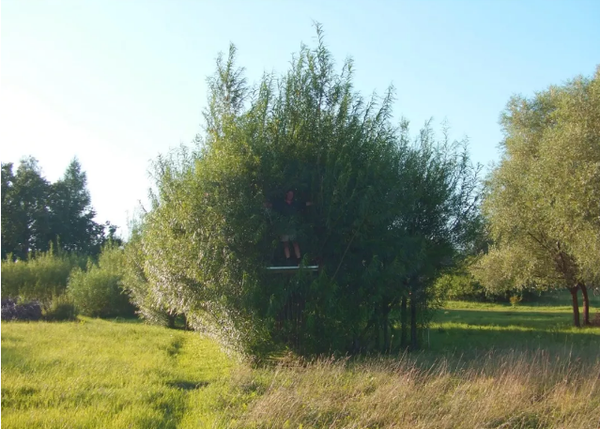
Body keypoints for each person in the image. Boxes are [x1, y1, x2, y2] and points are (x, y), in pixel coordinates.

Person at [266, 190, 312, 265]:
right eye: (289, 194)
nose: (291, 195)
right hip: (284, 227)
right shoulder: (282, 204)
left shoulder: (295, 204)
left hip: (292, 226)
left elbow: (303, 204)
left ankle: (299, 260)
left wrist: (313, 203)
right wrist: (265, 205)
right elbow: (272, 205)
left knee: (295, 243)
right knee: (286, 243)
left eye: (292, 194)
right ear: (286, 194)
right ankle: (288, 260)